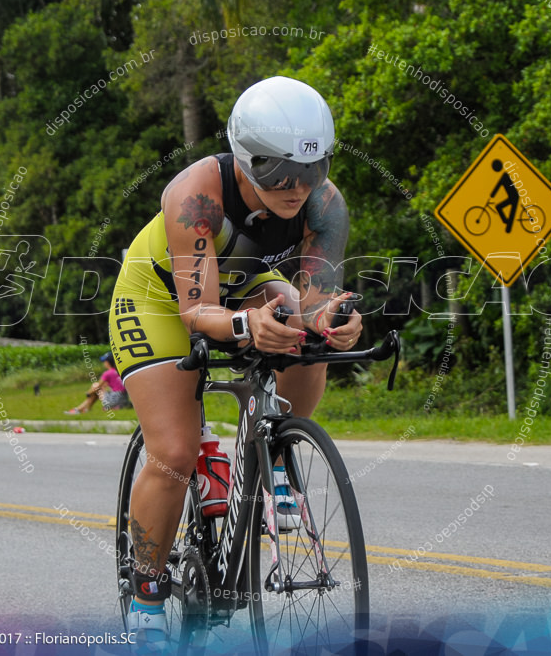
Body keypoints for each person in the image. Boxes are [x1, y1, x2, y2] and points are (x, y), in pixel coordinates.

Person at [107, 75, 362, 649]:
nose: (296, 188)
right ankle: (147, 597)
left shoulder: (326, 205)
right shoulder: (197, 195)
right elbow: (198, 312)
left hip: (246, 282)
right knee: (173, 452)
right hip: (159, 299)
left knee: (302, 328)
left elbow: (318, 296)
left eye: (313, 168)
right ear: (247, 159)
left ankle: (276, 448)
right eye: (278, 173)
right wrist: (249, 325)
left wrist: (331, 323)